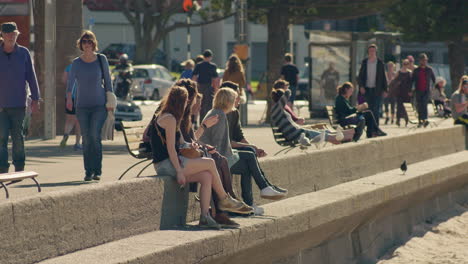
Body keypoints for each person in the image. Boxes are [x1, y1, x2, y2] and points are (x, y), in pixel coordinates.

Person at [149, 86, 246, 229]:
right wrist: (180, 171)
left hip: (173, 162)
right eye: (186, 101)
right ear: (180, 102)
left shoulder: (173, 117)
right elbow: (170, 148)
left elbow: (182, 143)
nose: (189, 104)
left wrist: (192, 146)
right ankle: (224, 199)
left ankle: (205, 217)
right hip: (165, 164)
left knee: (206, 176)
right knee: (210, 163)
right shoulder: (169, 119)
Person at [176, 79, 252, 226]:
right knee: (215, 161)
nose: (198, 108)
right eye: (196, 103)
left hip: (186, 155)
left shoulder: (186, 118)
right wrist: (204, 129)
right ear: (187, 99)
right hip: (177, 160)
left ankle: (211, 213)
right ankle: (225, 201)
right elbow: (181, 145)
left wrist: (204, 145)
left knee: (215, 164)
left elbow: (192, 141)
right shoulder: (175, 118)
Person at [200, 88, 287, 208]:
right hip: (217, 159)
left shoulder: (216, 112)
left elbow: (225, 143)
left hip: (216, 155)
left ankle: (258, 195)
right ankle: (258, 194)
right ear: (228, 101)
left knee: (249, 155)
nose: (238, 102)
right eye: (235, 99)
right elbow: (218, 145)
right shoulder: (219, 116)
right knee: (249, 160)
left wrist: (250, 146)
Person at [222, 81, 287, 212]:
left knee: (250, 153)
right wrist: (252, 147)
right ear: (228, 97)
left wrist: (255, 148)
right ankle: (263, 190)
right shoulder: (221, 114)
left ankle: (260, 193)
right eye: (237, 95)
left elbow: (239, 136)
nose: (239, 98)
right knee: (249, 158)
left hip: (229, 151)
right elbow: (226, 142)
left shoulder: (234, 112)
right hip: (222, 155)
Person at [66, 31, 114, 181]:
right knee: (86, 139)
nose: (87, 44)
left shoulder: (101, 59)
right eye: (84, 42)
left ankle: (97, 170)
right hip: (82, 106)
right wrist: (69, 98)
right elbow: (70, 83)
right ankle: (88, 171)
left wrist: (110, 101)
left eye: (89, 41)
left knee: (94, 135)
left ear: (94, 44)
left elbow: (108, 81)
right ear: (81, 44)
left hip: (100, 105)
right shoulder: (76, 63)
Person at [0, 22, 40, 173]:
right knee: (1, 139)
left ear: (17, 35)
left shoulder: (23, 53)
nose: (11, 36)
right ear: (2, 35)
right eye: (8, 33)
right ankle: (2, 168)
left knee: (18, 138)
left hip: (19, 104)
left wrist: (36, 99)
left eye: (14, 34)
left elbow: (31, 76)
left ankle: (19, 167)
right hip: (1, 106)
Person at [271, 88, 354, 146]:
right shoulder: (277, 108)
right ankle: (352, 135)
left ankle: (351, 133)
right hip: (296, 134)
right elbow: (288, 92)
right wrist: (285, 89)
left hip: (297, 132)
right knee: (325, 135)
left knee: (324, 132)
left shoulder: (278, 110)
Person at [357, 44, 387, 129]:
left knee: (376, 110)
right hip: (367, 90)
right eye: (370, 51)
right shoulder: (365, 62)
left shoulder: (380, 63)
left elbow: (383, 77)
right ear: (368, 52)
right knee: (368, 110)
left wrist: (385, 89)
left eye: (373, 51)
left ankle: (376, 128)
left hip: (377, 90)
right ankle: (369, 128)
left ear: (376, 52)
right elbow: (360, 76)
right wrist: (361, 86)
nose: (372, 52)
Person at [60, 59, 82, 150]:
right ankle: (77, 143)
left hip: (69, 97)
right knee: (78, 121)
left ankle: (66, 134)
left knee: (69, 119)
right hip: (80, 97)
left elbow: (63, 80)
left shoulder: (69, 67)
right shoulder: (83, 67)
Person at [192, 49, 220, 120]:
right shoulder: (213, 66)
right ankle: (207, 120)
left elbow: (194, 77)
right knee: (208, 105)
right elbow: (215, 79)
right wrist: (216, 89)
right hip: (208, 87)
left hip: (200, 87)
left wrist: (193, 87)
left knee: (200, 104)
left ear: (203, 56)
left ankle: (200, 120)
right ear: (210, 57)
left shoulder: (198, 65)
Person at [412, 53, 436, 127]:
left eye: (425, 60)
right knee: (419, 105)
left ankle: (425, 119)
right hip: (418, 90)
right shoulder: (416, 70)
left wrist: (432, 88)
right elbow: (412, 80)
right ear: (420, 61)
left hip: (426, 90)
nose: (424, 61)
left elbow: (434, 79)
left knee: (424, 104)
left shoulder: (429, 69)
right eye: (422, 60)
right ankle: (420, 120)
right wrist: (411, 90)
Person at [391, 59, 413, 127]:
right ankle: (398, 120)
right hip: (399, 92)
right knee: (399, 107)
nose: (405, 65)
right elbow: (394, 81)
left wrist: (411, 91)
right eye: (404, 64)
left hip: (407, 92)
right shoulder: (399, 72)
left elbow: (411, 83)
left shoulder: (410, 73)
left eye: (407, 64)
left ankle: (406, 120)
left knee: (406, 107)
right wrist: (397, 83)